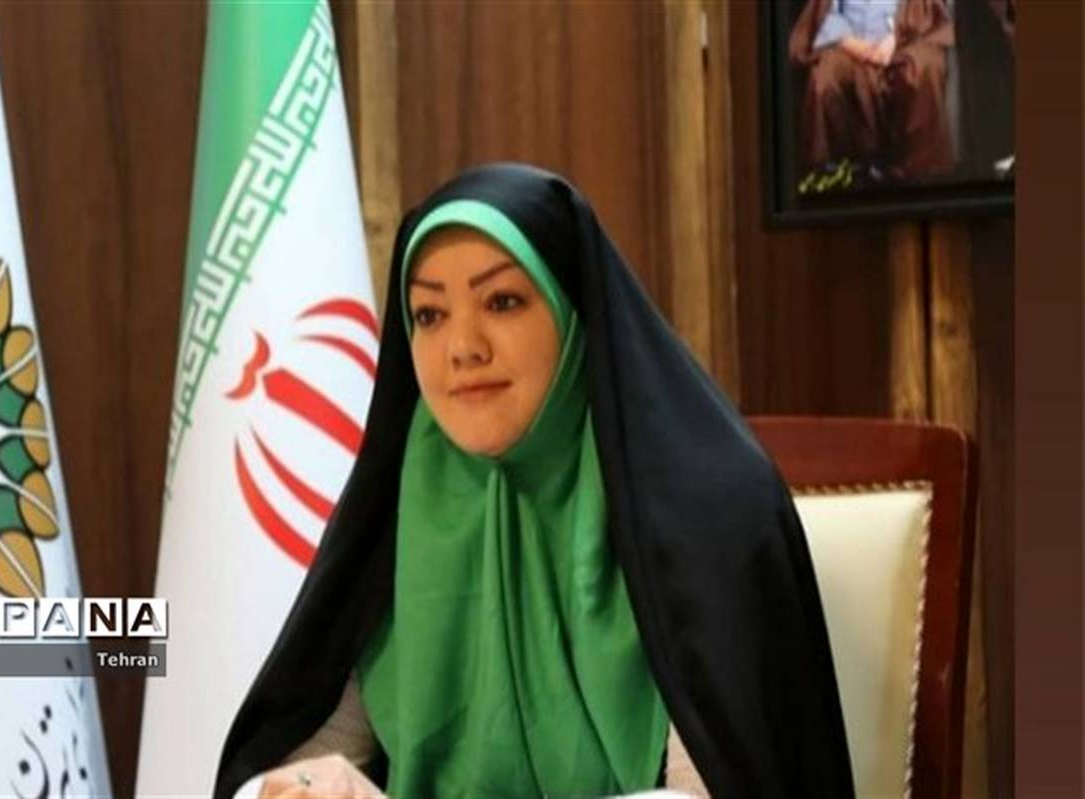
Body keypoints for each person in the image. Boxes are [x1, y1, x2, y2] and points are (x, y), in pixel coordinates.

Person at [214, 163, 854, 798]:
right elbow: (304, 755)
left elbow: (717, 787)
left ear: (576, 309)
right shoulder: (407, 490)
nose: (463, 347)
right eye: (429, 315)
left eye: (502, 302)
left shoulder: (710, 504)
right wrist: (295, 788)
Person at [789, 0, 956, 183]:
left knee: (923, 67)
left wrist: (894, 39)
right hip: (849, 46)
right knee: (825, 77)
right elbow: (827, 13)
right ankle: (837, 173)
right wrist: (852, 44)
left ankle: (918, 173)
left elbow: (922, 15)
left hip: (903, 40)